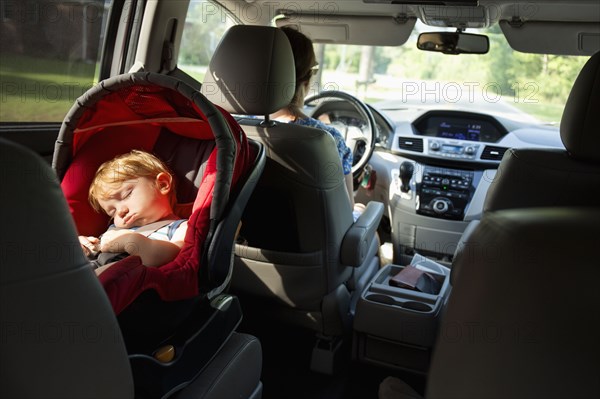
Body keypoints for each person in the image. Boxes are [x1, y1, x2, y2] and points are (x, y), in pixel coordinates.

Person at [273, 26, 358, 211]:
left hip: (246, 236)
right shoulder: (328, 138)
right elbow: (346, 209)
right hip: (313, 239)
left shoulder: (234, 129)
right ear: (307, 78)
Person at [78, 150, 188, 272]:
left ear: (162, 184)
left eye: (126, 195)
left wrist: (130, 241)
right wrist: (86, 247)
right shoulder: (116, 229)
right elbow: (98, 253)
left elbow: (174, 258)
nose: (120, 211)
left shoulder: (180, 227)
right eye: (112, 212)